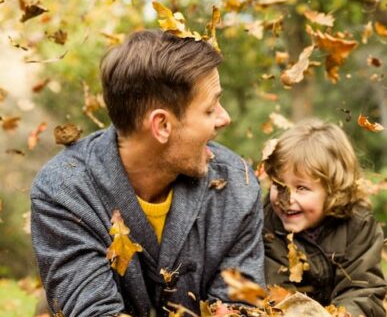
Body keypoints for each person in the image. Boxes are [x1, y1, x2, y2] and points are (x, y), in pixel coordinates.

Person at [30, 30, 265, 316]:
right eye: (209, 108)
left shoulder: (237, 186)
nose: (224, 118)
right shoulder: (64, 191)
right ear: (162, 125)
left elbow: (241, 303)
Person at [262, 119, 387, 317]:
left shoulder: (358, 224)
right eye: (279, 186)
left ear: (332, 190)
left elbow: (362, 290)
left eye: (301, 188)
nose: (287, 200)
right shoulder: (267, 224)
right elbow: (274, 290)